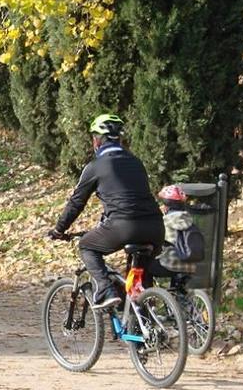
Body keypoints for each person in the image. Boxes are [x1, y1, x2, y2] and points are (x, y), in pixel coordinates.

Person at [48, 114, 164, 309]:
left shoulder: (95, 166)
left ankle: (105, 289)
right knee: (139, 276)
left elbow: (77, 202)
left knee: (87, 246)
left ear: (97, 140)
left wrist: (59, 229)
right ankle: (144, 325)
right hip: (155, 227)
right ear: (119, 139)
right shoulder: (136, 162)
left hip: (123, 225)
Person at [147, 185, 199, 279]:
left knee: (145, 267)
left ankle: (146, 292)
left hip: (171, 265)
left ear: (166, 205)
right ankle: (177, 290)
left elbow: (156, 241)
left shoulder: (166, 221)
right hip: (192, 266)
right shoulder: (189, 219)